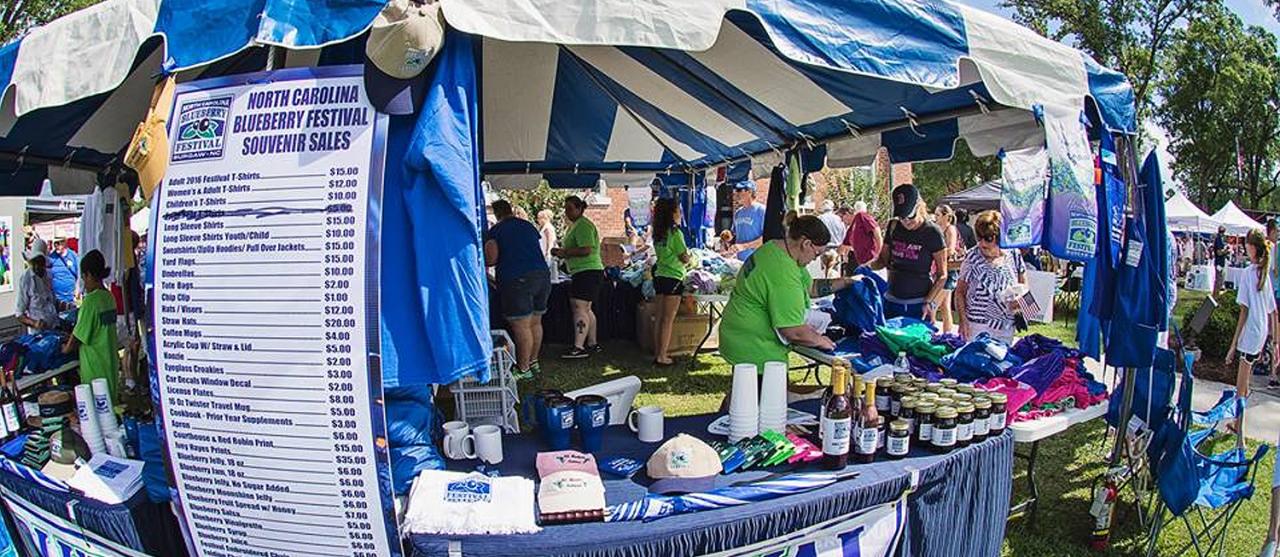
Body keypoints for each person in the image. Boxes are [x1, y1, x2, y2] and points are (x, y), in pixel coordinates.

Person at [720, 216, 853, 372]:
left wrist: (845, 282)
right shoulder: (783, 271)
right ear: (806, 243)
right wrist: (820, 340)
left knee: (741, 394)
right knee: (763, 394)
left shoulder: (776, 249)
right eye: (816, 254)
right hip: (755, 346)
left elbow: (811, 288)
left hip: (738, 333)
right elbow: (792, 331)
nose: (814, 260)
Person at [484, 200, 552, 378]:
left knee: (521, 326)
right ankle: (533, 362)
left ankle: (523, 369)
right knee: (536, 322)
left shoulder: (497, 230)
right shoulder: (527, 225)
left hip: (517, 278)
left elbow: (490, 259)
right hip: (542, 275)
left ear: (497, 214)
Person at [868, 184, 947, 320]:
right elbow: (883, 261)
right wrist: (866, 267)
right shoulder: (893, 226)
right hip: (891, 301)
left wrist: (929, 301)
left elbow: (942, 275)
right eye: (902, 217)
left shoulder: (932, 232)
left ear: (919, 207)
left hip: (918, 303)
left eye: (910, 216)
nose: (906, 221)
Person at [1226, 230, 1278, 433]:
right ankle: (1239, 422)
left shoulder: (1249, 273)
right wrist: (1275, 342)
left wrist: (1233, 345)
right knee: (1244, 381)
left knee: (1241, 385)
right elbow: (1273, 311)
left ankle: (1239, 425)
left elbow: (1243, 312)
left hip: (1251, 333)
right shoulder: (1262, 274)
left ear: (1252, 247)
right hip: (1261, 331)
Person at [955, 211, 1027, 343]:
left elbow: (1024, 285)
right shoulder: (972, 257)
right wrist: (963, 320)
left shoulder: (1013, 254)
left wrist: (1020, 300)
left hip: (1006, 325)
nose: (982, 243)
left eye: (988, 238)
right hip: (977, 325)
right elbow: (960, 292)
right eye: (979, 237)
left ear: (999, 236)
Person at [60, 250, 119, 404]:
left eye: (84, 277)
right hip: (110, 365)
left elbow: (79, 335)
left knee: (99, 412)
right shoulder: (109, 297)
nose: (84, 283)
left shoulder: (90, 302)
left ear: (90, 275)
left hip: (95, 369)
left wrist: (65, 348)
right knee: (112, 411)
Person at [551, 196, 604, 359]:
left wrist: (563, 253)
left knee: (580, 308)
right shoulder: (575, 226)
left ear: (580, 209)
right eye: (565, 208)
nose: (567, 212)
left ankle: (579, 347)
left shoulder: (583, 226)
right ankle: (592, 343)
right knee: (586, 308)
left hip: (587, 271)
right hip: (585, 272)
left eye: (570, 208)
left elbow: (586, 249)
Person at [652, 198, 692, 366]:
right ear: (672, 213)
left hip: (660, 276)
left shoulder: (658, 233)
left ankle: (657, 353)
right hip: (673, 277)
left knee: (660, 317)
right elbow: (684, 257)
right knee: (668, 319)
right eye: (678, 210)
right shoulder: (675, 233)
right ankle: (663, 356)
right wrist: (691, 258)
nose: (679, 213)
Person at [15, 238, 58, 333]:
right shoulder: (26, 279)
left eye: (40, 263)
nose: (37, 266)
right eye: (34, 262)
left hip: (54, 328)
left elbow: (52, 301)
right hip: (38, 334)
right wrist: (34, 323)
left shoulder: (49, 275)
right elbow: (19, 314)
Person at [932, 204, 961, 333]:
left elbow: (951, 249)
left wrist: (935, 253)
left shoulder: (950, 229)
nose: (935, 217)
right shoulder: (938, 228)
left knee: (932, 306)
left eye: (938, 215)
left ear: (946, 216)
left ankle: (929, 332)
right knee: (945, 307)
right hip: (940, 270)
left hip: (949, 272)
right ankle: (947, 334)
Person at [840, 200, 882, 272]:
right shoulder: (852, 226)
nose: (842, 220)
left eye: (842, 217)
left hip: (869, 259)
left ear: (847, 214)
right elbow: (845, 244)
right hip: (861, 261)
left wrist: (879, 252)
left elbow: (876, 230)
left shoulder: (861, 216)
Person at [730, 181, 766, 261]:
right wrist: (726, 242)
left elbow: (766, 238)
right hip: (740, 261)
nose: (736, 193)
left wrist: (743, 246)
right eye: (736, 190)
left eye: (739, 190)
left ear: (749, 192)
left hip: (757, 261)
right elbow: (733, 234)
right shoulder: (738, 213)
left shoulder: (761, 211)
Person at [48, 237, 78, 305]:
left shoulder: (73, 256)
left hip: (70, 297)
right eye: (55, 243)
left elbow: (79, 273)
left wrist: (77, 289)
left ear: (64, 243)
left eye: (58, 243)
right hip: (56, 298)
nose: (56, 246)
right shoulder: (51, 257)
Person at [1214, 226, 1229, 294]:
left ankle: (1216, 294)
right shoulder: (1218, 239)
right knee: (1219, 280)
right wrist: (1226, 251)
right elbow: (1219, 252)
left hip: (1221, 262)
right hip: (1219, 262)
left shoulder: (1221, 239)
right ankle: (1215, 295)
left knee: (1221, 279)